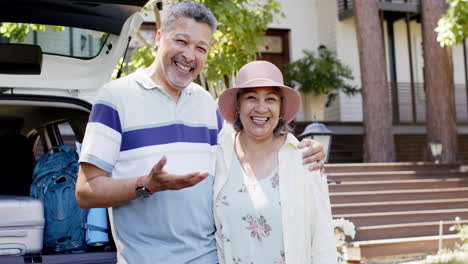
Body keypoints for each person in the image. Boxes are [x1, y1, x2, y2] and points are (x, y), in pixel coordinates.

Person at [75, 1, 326, 264]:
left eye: (200, 48)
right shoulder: (115, 98)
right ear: (159, 37)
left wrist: (300, 149)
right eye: (181, 41)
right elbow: (85, 192)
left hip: (211, 257)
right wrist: (147, 185)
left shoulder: (206, 102)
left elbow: (247, 150)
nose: (190, 55)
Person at [213, 60, 337, 264]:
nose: (261, 108)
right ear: (238, 105)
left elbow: (323, 239)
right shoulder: (219, 154)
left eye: (270, 99)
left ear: (280, 108)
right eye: (251, 98)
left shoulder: (304, 159)